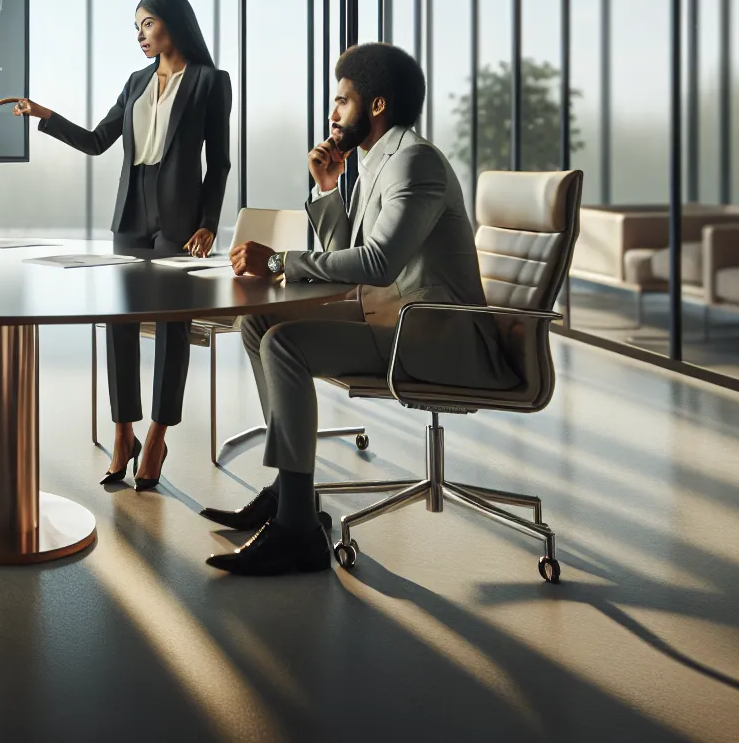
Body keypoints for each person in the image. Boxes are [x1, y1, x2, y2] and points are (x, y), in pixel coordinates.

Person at [204, 42, 514, 576]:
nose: (331, 113)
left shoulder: (415, 161)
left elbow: (377, 263)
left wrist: (280, 259)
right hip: (392, 317)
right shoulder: (377, 162)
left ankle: (298, 531)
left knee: (285, 344)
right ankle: (288, 491)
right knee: (258, 323)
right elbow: (348, 251)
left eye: (342, 100)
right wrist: (329, 188)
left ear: (377, 106)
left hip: (436, 335)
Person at [0, 0, 231, 492]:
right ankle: (122, 431)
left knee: (173, 327)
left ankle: (157, 435)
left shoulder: (212, 82)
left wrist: (209, 221)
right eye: (136, 28)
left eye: (146, 24)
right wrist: (42, 114)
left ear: (172, 22)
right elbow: (98, 141)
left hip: (181, 219)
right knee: (119, 321)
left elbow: (220, 161)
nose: (140, 36)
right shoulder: (136, 82)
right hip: (130, 214)